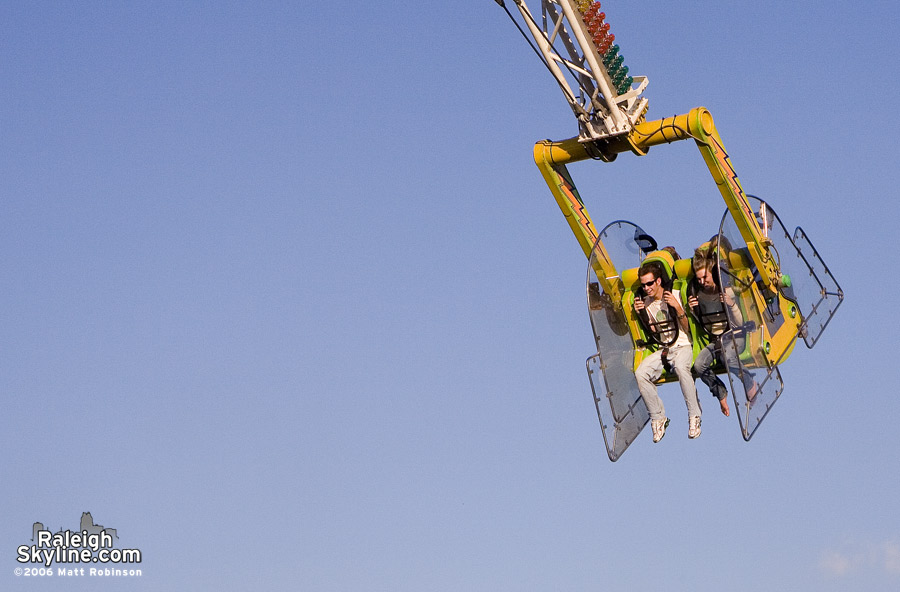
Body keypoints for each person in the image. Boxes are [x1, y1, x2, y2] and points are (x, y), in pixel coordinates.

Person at [633, 258, 702, 442]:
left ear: (658, 281)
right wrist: (641, 313)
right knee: (640, 373)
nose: (647, 288)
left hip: (683, 345)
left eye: (649, 284)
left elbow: (688, 328)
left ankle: (694, 415)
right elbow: (654, 332)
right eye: (643, 285)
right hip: (665, 349)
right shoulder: (647, 303)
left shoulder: (675, 294)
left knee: (681, 368)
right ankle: (658, 417)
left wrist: (677, 307)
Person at [688, 246, 757, 416]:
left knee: (728, 358)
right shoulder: (698, 295)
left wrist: (731, 304)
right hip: (716, 340)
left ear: (713, 273)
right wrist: (693, 311)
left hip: (735, 335)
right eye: (699, 279)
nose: (703, 281)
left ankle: (749, 382)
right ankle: (720, 392)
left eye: (705, 277)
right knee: (699, 365)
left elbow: (739, 323)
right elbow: (704, 325)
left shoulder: (726, 291)